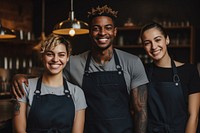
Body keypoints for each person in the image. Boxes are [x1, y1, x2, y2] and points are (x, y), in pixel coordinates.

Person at [11, 5, 149, 133]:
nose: (102, 33)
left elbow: (140, 111)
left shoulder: (132, 62)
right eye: (96, 28)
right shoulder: (74, 63)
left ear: (114, 32)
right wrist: (20, 77)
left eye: (107, 27)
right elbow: (51, 73)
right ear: (89, 32)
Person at [12, 34, 87, 133]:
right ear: (42, 56)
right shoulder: (25, 87)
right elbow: (18, 130)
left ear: (68, 57)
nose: (55, 59)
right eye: (50, 54)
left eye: (61, 55)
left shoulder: (77, 93)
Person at [140, 22, 200, 133]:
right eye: (147, 43)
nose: (153, 46)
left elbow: (194, 115)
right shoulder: (142, 71)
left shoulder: (189, 71)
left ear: (167, 40)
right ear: (143, 46)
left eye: (157, 40)